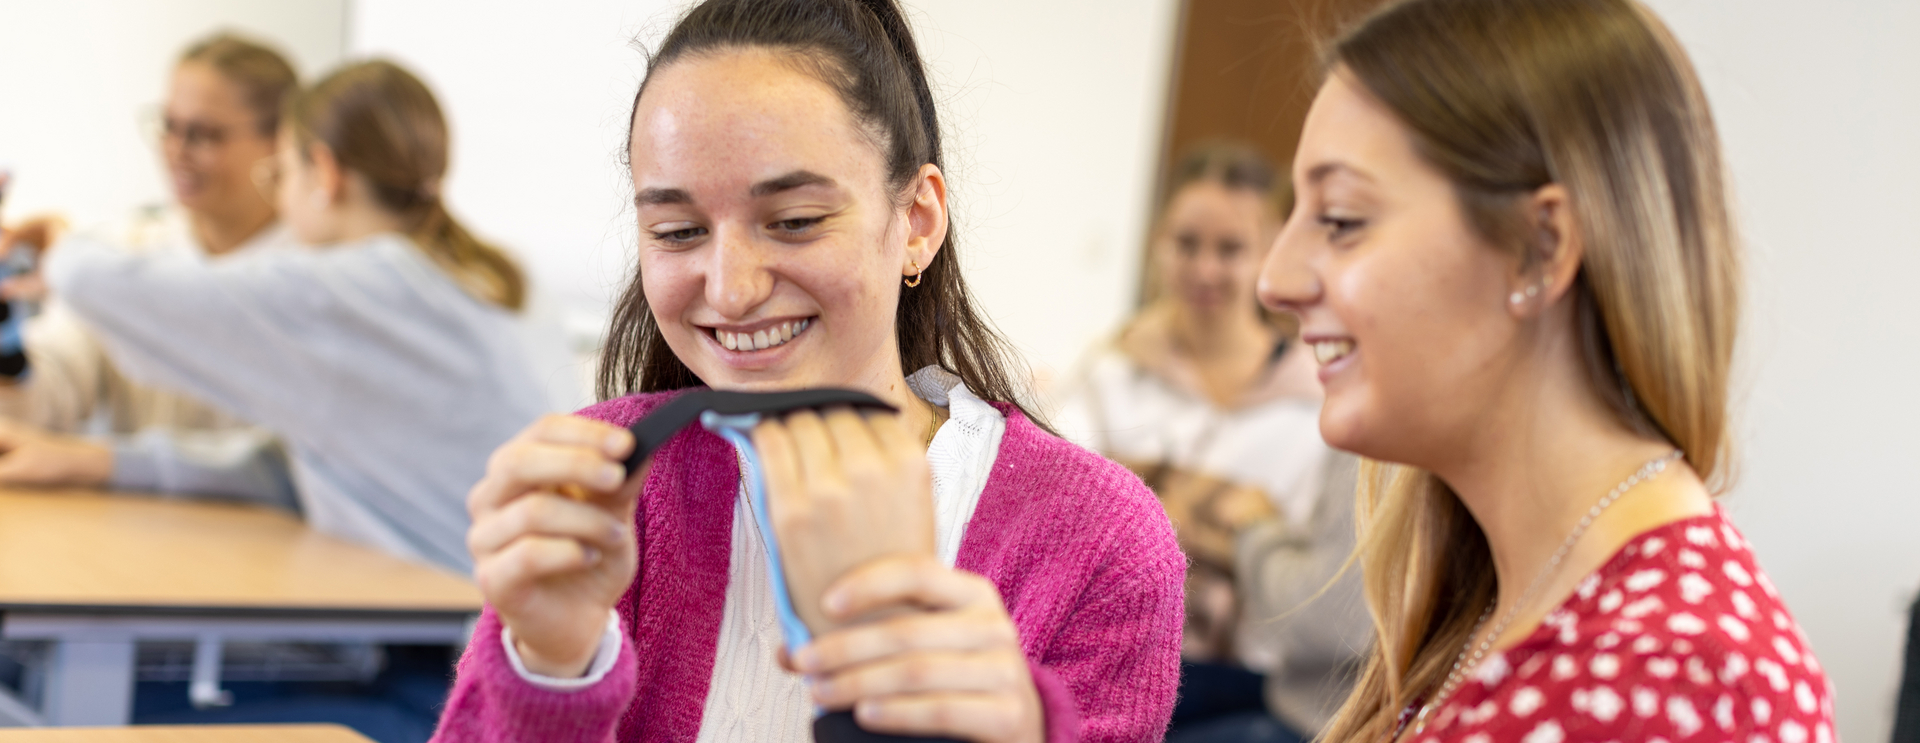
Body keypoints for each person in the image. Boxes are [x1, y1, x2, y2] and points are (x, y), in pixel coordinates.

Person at [430, 0, 1185, 741]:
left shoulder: (1101, 542)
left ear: (917, 221)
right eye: (678, 230)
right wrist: (549, 664)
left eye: (794, 221)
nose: (729, 288)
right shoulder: (603, 494)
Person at [1258, 0, 1835, 741]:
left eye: (1340, 220)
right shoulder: (1508, 599)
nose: (1275, 279)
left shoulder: (1675, 671)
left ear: (1540, 246)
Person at [38, 60, 548, 573]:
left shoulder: (341, 293)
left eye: (279, 172)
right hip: (507, 609)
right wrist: (104, 462)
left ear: (324, 174)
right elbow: (291, 468)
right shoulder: (482, 278)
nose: (279, 197)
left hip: (454, 630)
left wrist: (60, 233)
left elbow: (86, 279)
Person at [1053, 143, 1366, 743]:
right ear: (1157, 242)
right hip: (1114, 660)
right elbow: (1065, 510)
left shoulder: (1320, 400)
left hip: (1256, 686)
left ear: (1267, 256)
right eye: (1186, 243)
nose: (1204, 270)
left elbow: (1313, 582)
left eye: (1230, 250)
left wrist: (1144, 484)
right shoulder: (1110, 371)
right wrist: (1236, 513)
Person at [0, 33, 300, 508]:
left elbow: (283, 464)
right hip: (139, 539)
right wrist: (7, 346)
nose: (176, 150)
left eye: (203, 134)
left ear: (280, 140)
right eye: (168, 126)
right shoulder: (130, 250)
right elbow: (49, 395)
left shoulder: (319, 276)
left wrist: (102, 460)